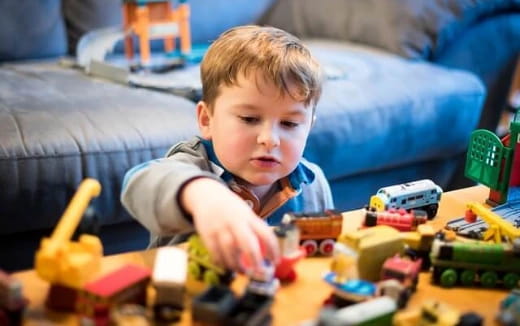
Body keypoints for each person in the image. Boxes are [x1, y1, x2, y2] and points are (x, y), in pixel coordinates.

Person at [121, 25, 334, 272]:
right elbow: (138, 183)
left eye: (289, 123)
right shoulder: (192, 164)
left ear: (308, 127)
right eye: (249, 119)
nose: (269, 139)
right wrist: (203, 196)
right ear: (207, 120)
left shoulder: (313, 183)